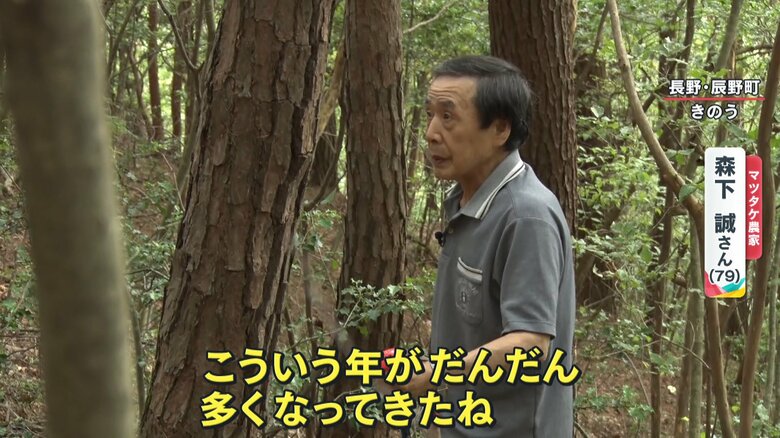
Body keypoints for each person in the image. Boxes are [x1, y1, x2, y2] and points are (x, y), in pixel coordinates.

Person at [397, 55, 576, 437]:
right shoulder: (465, 202)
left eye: (448, 117)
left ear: (499, 129)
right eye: (430, 115)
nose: (431, 133)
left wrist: (436, 373)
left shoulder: (526, 216)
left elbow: (531, 344)